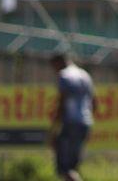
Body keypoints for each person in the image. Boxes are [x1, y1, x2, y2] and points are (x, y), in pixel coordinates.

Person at [48, 52, 95, 181]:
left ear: (58, 63)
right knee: (73, 166)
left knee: (64, 167)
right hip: (85, 122)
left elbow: (62, 103)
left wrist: (54, 129)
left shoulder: (64, 75)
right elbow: (93, 102)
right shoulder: (85, 75)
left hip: (70, 123)